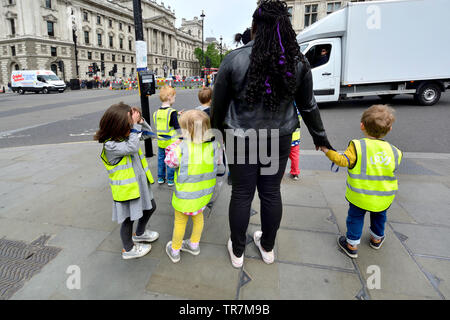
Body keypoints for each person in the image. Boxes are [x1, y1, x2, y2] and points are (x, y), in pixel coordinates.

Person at [211, 0, 333, 268]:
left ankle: (239, 251)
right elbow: (308, 105)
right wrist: (321, 138)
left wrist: (218, 132)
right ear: (284, 28)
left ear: (254, 26)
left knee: (242, 193)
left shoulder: (234, 59)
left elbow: (217, 107)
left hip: (240, 137)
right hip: (277, 137)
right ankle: (267, 247)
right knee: (270, 192)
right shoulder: (297, 61)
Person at [319, 105, 402, 259]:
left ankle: (351, 245)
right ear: (389, 130)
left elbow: (342, 160)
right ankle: (377, 239)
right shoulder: (395, 152)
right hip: (384, 197)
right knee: (379, 216)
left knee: (355, 218)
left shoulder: (357, 146)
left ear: (362, 126)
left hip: (360, 195)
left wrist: (326, 150)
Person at [95, 102, 159, 260]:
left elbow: (149, 135)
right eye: (129, 124)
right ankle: (128, 249)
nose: (132, 127)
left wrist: (141, 122)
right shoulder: (110, 145)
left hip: (139, 184)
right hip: (127, 190)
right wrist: (135, 127)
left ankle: (140, 233)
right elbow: (131, 148)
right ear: (118, 125)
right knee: (129, 219)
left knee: (150, 208)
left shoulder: (128, 135)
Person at [164, 110, 221, 263]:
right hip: (203, 194)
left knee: (180, 222)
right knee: (198, 219)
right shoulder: (214, 145)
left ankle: (175, 250)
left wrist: (174, 145)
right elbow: (218, 162)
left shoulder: (182, 147)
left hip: (185, 195)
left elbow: (170, 162)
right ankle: (194, 245)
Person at [153, 86, 181, 187]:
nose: (175, 98)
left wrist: (177, 114)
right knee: (170, 160)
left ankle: (160, 177)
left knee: (161, 159)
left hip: (160, 141)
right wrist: (181, 137)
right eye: (174, 97)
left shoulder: (156, 113)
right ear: (169, 97)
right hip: (171, 142)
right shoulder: (172, 112)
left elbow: (165, 119)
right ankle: (170, 179)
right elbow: (176, 126)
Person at [289, 105, 302, 180]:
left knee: (281, 157)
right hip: (295, 139)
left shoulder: (286, 109)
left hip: (284, 138)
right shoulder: (298, 111)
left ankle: (280, 172)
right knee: (295, 157)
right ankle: (295, 173)